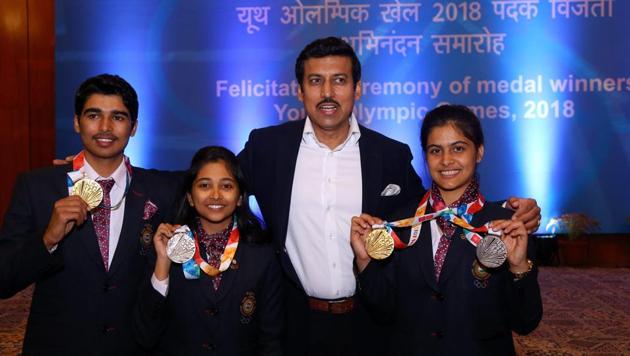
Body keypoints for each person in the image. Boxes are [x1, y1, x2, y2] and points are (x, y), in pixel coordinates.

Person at [238, 37, 542, 355]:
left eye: (339, 80)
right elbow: (213, 185)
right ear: (299, 90)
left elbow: (435, 210)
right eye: (316, 81)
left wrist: (510, 210)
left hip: (372, 323)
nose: (327, 93)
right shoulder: (268, 148)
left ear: (357, 89)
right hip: (294, 322)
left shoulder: (390, 156)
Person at [0, 74, 176, 355]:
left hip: (133, 346)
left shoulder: (162, 190)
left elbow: (218, 180)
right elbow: (4, 279)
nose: (105, 127)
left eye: (118, 117)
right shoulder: (36, 187)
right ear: (76, 122)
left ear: (134, 127)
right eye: (94, 115)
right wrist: (48, 239)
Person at [350, 105, 543, 355]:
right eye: (435, 150)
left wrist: (518, 267)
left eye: (458, 148)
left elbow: (525, 322)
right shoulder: (400, 224)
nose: (446, 160)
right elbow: (384, 311)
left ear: (480, 152)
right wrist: (366, 262)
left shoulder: (508, 226)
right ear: (425, 156)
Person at [134, 146, 283, 355]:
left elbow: (271, 340)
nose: (215, 195)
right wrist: (162, 264)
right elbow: (145, 335)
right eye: (204, 185)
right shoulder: (169, 247)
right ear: (190, 197)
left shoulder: (262, 255)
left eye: (227, 186)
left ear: (240, 197)